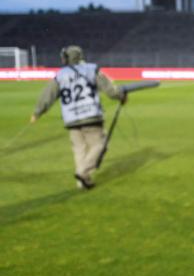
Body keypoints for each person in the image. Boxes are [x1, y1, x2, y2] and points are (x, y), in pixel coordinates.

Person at [30, 45, 126, 189]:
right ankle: (83, 173)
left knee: (79, 149)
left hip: (71, 118)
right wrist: (121, 95)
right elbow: (110, 91)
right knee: (99, 145)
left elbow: (47, 95)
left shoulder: (60, 75)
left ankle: (81, 181)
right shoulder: (91, 69)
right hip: (91, 115)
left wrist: (37, 113)